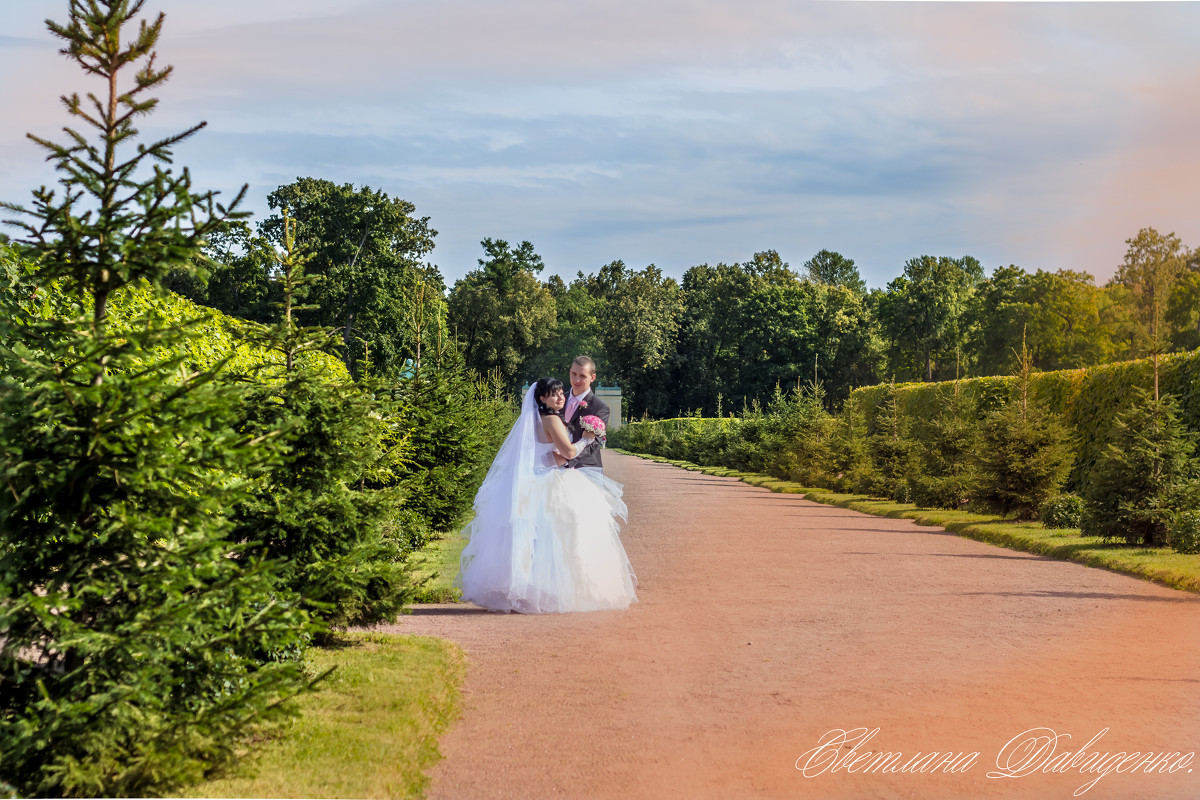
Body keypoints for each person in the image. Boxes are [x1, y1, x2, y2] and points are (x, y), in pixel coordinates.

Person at [457, 377, 638, 614]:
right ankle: (556, 591)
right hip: (551, 481)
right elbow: (570, 451)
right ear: (542, 398)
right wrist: (587, 439)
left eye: (562, 392)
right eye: (554, 394)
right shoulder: (551, 419)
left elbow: (541, 454)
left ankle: (523, 589)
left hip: (533, 480)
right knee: (563, 535)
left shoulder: (531, 420)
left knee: (534, 539)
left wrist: (557, 457)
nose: (561, 397)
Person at [561, 356, 609, 471]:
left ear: (592, 377)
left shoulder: (600, 408)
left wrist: (567, 461)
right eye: (573, 374)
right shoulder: (558, 400)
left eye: (582, 376)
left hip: (584, 468)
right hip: (554, 467)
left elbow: (593, 443)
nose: (576, 380)